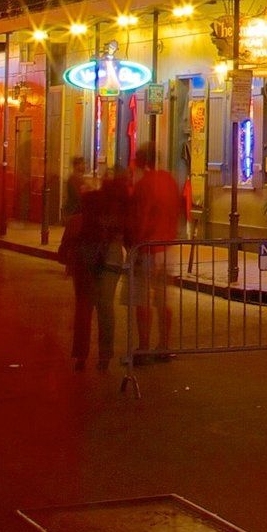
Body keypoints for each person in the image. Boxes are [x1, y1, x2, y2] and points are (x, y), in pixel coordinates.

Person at [56, 170, 127, 370]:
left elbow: (77, 220)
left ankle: (81, 355)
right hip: (110, 256)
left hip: (86, 254)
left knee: (84, 306)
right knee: (105, 307)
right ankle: (104, 356)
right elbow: (126, 232)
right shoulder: (119, 206)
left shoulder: (89, 200)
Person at [125, 144, 186, 360]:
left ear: (140, 162)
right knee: (163, 300)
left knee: (142, 299)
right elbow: (178, 210)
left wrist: (135, 245)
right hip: (167, 246)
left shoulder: (144, 184)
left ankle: (143, 347)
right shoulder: (169, 180)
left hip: (147, 247)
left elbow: (140, 216)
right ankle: (164, 346)